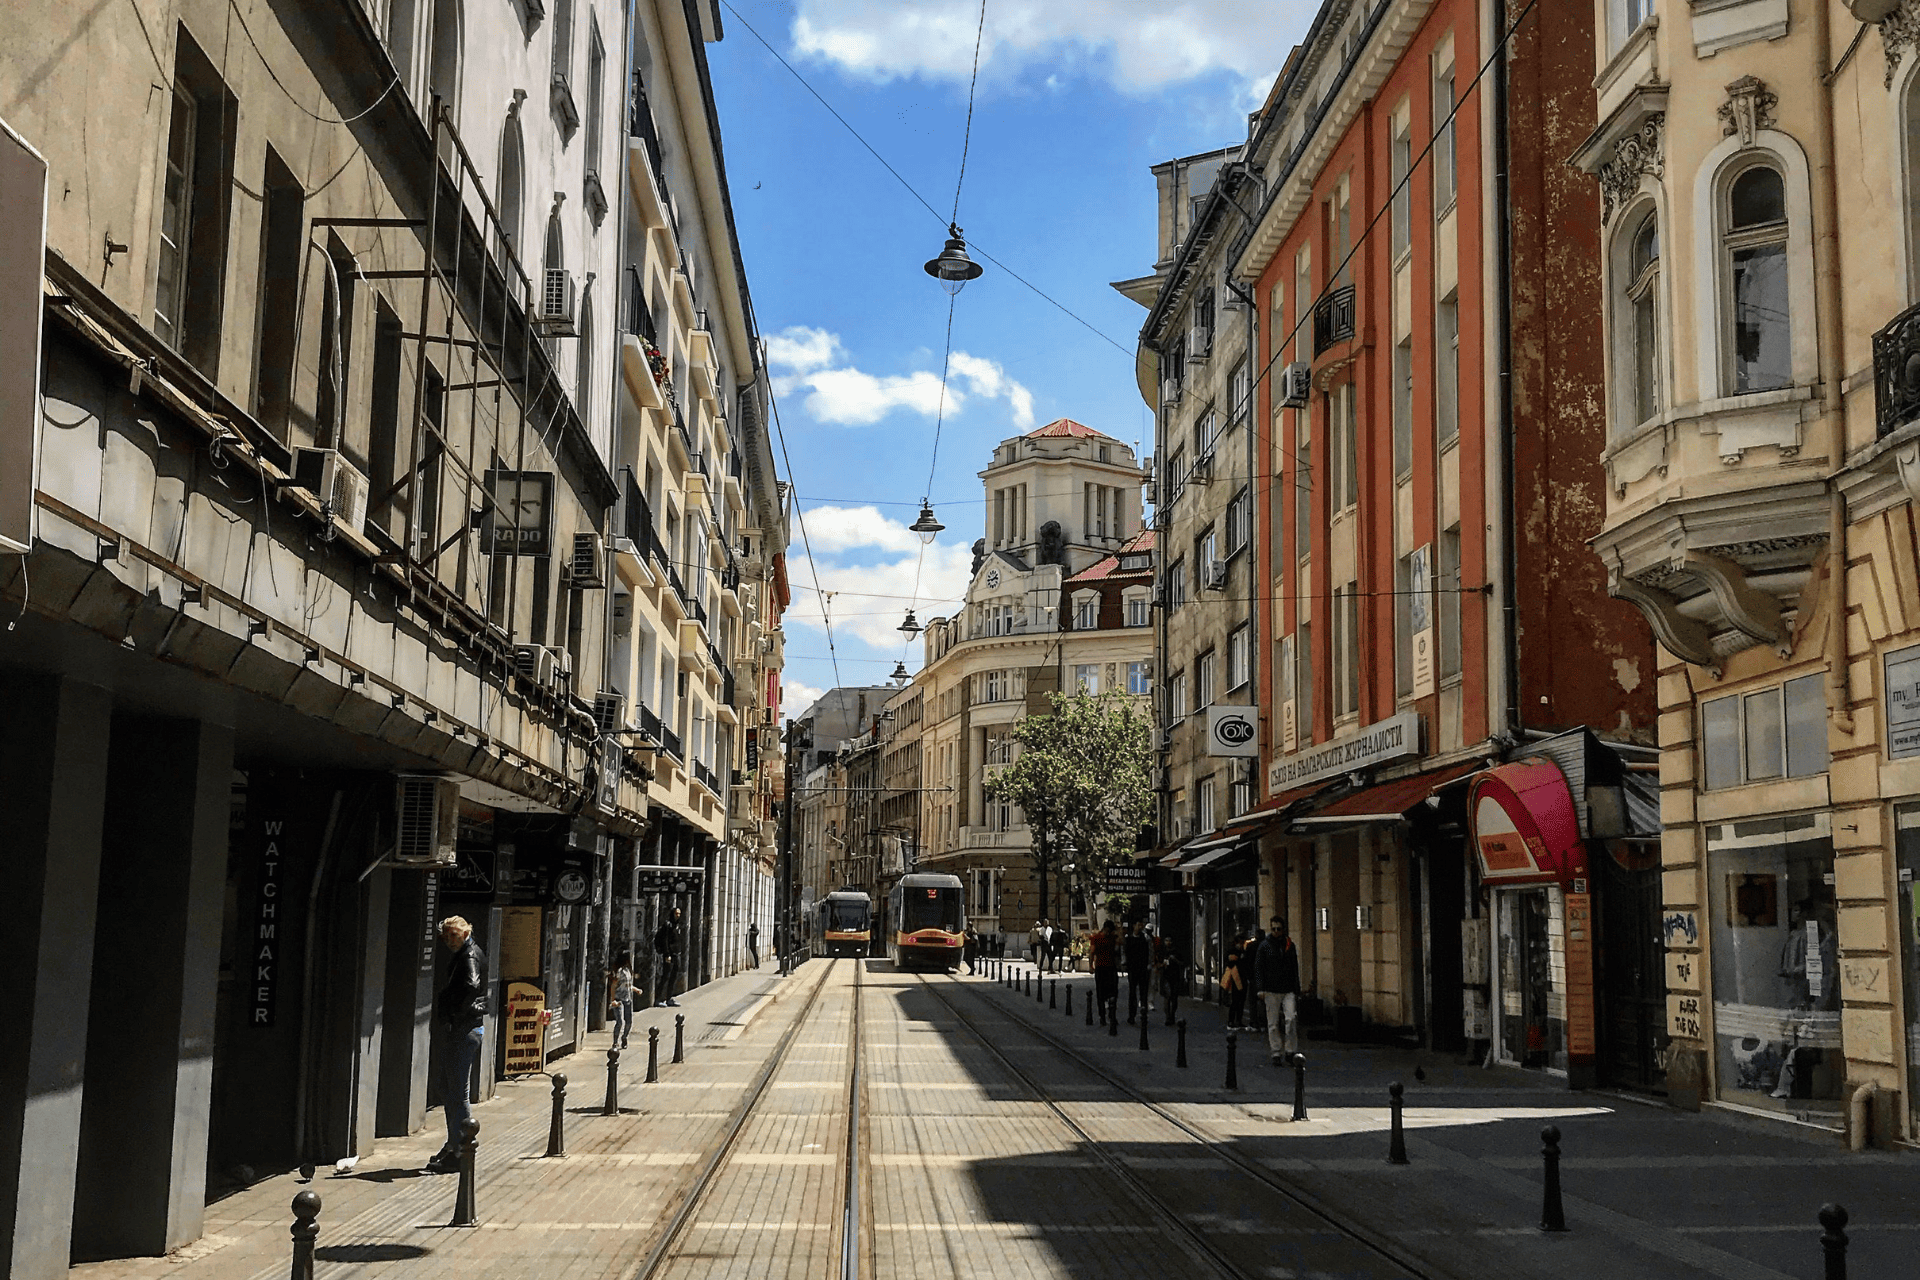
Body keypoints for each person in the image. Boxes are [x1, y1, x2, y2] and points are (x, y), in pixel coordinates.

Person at [428, 916, 488, 1173]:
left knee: (457, 1092)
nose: (450, 940)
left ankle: (461, 1150)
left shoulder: (470, 956)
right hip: (466, 1027)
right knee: (449, 1089)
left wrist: (455, 1015)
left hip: (465, 1029)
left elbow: (472, 985)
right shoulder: (468, 952)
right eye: (446, 936)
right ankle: (454, 1143)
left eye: (454, 935)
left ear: (465, 933)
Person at [1252, 916, 1302, 1064]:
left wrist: (1296, 988)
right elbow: (1258, 968)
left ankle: (1290, 1050)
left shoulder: (1289, 945)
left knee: (1291, 1018)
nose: (1275, 931)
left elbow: (1294, 968)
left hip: (1287, 989)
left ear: (1283, 929)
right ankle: (1276, 1051)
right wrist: (1260, 989)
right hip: (1271, 989)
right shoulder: (1265, 946)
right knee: (1273, 1023)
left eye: (1278, 929)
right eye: (1273, 928)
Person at [1090, 920, 1122, 1027]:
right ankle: (1106, 1016)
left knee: (1103, 993)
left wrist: (1091, 965)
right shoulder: (1106, 938)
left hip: (1103, 968)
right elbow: (1092, 952)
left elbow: (1092, 952)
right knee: (1109, 993)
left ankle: (1105, 1016)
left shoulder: (1097, 938)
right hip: (1108, 968)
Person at [654, 908, 683, 1007]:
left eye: (679, 914)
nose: (678, 915)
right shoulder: (668, 925)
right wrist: (667, 954)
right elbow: (665, 940)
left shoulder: (677, 925)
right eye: (676, 913)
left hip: (676, 954)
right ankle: (658, 998)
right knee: (666, 976)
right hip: (669, 955)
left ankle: (669, 998)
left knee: (673, 977)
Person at [1124, 921, 1152, 1024]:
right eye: (1138, 925)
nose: (1140, 927)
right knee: (1132, 993)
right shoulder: (1128, 938)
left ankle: (1144, 1014)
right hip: (1132, 969)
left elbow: (1150, 951)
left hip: (1143, 969)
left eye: (1141, 925)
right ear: (1133, 926)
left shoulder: (1145, 938)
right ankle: (1132, 1015)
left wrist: (1149, 964)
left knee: (1143, 993)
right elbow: (1125, 952)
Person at [1156, 933, 1187, 1025]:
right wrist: (1162, 965)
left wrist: (1175, 960)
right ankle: (1167, 1017)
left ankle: (1172, 1015)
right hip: (1166, 976)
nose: (1168, 942)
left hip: (1175, 976)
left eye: (1169, 941)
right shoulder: (1162, 952)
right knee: (1167, 997)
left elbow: (1182, 964)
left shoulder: (1176, 952)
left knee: (1174, 997)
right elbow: (1158, 963)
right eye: (1166, 941)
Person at [608, 952, 634, 1050]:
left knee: (629, 1021)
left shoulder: (628, 971)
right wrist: (613, 1000)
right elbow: (614, 986)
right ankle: (615, 1042)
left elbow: (628, 985)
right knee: (619, 1021)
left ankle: (624, 1037)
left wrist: (635, 989)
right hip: (619, 999)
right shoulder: (619, 971)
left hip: (627, 998)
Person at [1221, 947, 1247, 1029]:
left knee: (1237, 1002)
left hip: (1239, 982)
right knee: (1236, 1002)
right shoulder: (1235, 960)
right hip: (1237, 982)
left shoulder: (1234, 958)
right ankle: (1233, 1021)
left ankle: (1235, 1021)